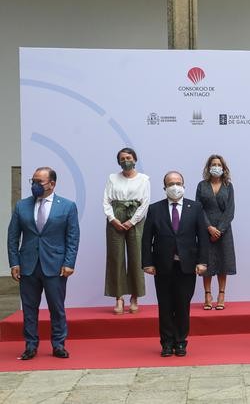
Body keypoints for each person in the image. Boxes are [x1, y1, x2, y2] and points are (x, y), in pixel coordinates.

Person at [7, 167, 80, 360]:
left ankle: (58, 345)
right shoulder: (22, 206)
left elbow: (72, 238)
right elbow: (12, 237)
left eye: (39, 182)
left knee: (57, 308)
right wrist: (14, 262)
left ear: (52, 184)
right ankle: (30, 345)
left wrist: (69, 262)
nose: (34, 185)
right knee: (29, 309)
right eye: (33, 181)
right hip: (28, 265)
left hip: (55, 266)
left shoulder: (67, 206)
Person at [141, 171, 209, 357]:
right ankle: (166, 343)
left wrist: (203, 261)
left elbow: (202, 237)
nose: (175, 186)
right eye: (171, 183)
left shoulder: (195, 207)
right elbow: (147, 238)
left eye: (178, 183)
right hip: (162, 266)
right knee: (165, 305)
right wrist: (147, 262)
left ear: (184, 185)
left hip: (187, 266)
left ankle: (180, 342)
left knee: (182, 305)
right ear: (164, 188)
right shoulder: (155, 209)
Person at [103, 147, 150, 315]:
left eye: (128, 157)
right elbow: (106, 200)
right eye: (122, 158)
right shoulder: (112, 178)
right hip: (115, 216)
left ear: (135, 159)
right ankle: (119, 297)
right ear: (118, 161)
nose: (125, 161)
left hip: (135, 218)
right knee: (116, 257)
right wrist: (113, 219)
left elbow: (145, 203)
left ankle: (135, 297)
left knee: (136, 256)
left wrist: (131, 221)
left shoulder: (144, 179)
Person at [195, 155, 236, 311]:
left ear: (223, 168)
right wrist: (209, 227)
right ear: (208, 167)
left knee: (222, 262)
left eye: (219, 164)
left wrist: (220, 229)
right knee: (207, 262)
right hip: (205, 229)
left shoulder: (228, 186)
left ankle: (221, 295)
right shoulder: (201, 185)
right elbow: (198, 208)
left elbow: (231, 210)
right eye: (213, 164)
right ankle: (207, 295)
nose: (216, 167)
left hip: (224, 230)